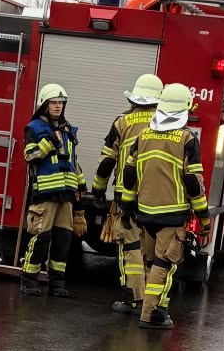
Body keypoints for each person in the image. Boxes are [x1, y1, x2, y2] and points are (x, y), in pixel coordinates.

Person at [118, 82, 209, 331]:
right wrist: (204, 218)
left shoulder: (144, 135)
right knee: (164, 264)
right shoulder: (187, 139)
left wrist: (126, 208)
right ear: (185, 109)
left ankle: (153, 307)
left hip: (145, 213)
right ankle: (152, 314)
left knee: (150, 263)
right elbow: (193, 183)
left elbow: (129, 174)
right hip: (172, 215)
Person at [92, 72, 163, 314]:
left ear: (134, 99)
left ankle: (133, 298)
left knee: (130, 247)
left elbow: (106, 162)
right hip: (158, 200)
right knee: (153, 251)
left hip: (126, 197)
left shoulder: (122, 123)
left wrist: (99, 192)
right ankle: (154, 302)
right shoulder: (167, 125)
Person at [19, 83, 82, 299]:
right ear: (44, 104)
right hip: (45, 194)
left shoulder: (67, 129)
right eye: (54, 102)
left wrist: (80, 185)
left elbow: (73, 161)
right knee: (40, 239)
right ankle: (29, 281)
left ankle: (57, 284)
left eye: (61, 103)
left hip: (66, 194)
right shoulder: (34, 128)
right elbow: (29, 155)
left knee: (63, 240)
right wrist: (49, 142)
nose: (58, 106)